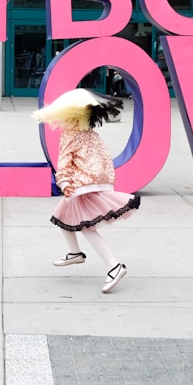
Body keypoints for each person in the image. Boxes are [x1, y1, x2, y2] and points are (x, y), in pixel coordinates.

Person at [32, 88, 140, 293]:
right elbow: (105, 161)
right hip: (94, 183)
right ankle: (75, 253)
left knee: (87, 227)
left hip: (80, 186)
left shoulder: (69, 136)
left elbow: (63, 163)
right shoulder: (93, 135)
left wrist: (63, 183)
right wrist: (106, 183)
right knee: (61, 215)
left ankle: (114, 266)